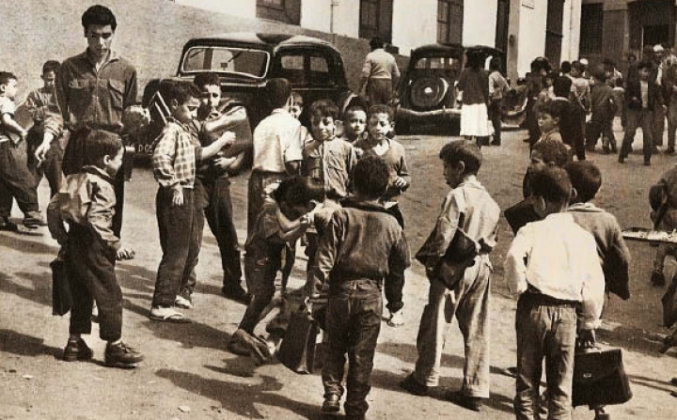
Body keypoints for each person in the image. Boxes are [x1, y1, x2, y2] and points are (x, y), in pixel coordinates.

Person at [306, 156, 410, 420]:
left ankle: (332, 393)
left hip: (340, 292)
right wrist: (394, 300)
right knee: (363, 354)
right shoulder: (392, 223)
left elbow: (324, 258)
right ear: (384, 188)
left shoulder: (341, 216)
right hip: (371, 295)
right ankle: (355, 406)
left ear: (352, 183)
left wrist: (312, 293)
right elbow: (402, 262)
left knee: (334, 346)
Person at [400, 140, 500, 413]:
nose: (444, 173)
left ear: (460, 167)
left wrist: (433, 264)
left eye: (446, 167)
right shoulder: (490, 200)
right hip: (482, 265)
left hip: (455, 265)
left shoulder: (457, 196)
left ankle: (425, 377)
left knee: (436, 321)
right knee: (477, 328)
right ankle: (475, 388)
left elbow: (444, 235)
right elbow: (492, 238)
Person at [36, 4, 137, 260]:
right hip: (79, 148)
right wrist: (47, 140)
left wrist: (137, 122)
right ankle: (77, 270)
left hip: (111, 149)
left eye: (106, 35)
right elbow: (56, 110)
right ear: (85, 33)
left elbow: (130, 113)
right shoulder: (69, 68)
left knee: (109, 213)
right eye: (94, 35)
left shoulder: (126, 70)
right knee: (76, 210)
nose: (100, 42)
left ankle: (104, 269)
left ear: (113, 33)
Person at [504, 166, 605, 420]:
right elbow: (594, 283)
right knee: (561, 388)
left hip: (534, 308)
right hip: (567, 314)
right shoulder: (583, 237)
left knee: (527, 383)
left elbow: (513, 258)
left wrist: (519, 288)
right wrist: (589, 321)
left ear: (539, 201)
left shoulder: (531, 230)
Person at [47, 129, 144, 368]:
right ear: (107, 160)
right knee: (110, 294)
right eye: (120, 159)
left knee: (81, 294)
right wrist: (115, 244)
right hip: (94, 245)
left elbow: (53, 209)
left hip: (74, 243)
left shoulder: (73, 178)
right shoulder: (103, 185)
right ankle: (114, 346)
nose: (121, 164)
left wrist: (63, 238)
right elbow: (97, 220)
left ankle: (74, 342)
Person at [149, 81, 235, 322]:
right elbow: (160, 159)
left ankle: (168, 298)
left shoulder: (182, 128)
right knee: (176, 251)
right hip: (178, 194)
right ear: (174, 105)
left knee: (182, 248)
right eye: (191, 108)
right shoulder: (173, 130)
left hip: (185, 191)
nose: (195, 113)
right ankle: (161, 303)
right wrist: (173, 184)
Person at [229, 176, 323, 357]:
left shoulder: (284, 208)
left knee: (271, 298)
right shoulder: (270, 210)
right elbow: (284, 235)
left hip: (274, 261)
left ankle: (246, 331)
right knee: (266, 298)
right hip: (260, 260)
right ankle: (241, 334)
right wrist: (304, 224)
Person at [192, 72, 250, 304]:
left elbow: (243, 143)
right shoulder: (190, 119)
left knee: (227, 234)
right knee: (192, 236)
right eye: (204, 95)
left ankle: (233, 284)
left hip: (219, 180)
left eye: (215, 95)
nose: (210, 101)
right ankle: (184, 287)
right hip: (196, 181)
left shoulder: (227, 118)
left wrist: (230, 161)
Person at [354, 105, 410, 326]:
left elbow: (406, 175)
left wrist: (403, 182)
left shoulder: (397, 150)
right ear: (367, 125)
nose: (377, 128)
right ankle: (365, 303)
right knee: (366, 257)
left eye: (382, 124)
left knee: (396, 261)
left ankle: (396, 306)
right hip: (366, 209)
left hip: (390, 209)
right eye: (373, 123)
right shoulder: (359, 148)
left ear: (390, 126)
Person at [565, 161, 631, 300]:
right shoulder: (608, 220)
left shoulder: (559, 217)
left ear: (572, 192)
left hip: (565, 286)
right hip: (595, 288)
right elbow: (624, 257)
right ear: (596, 192)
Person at [248, 78, 305, 234]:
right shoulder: (293, 124)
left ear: (267, 99)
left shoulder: (262, 124)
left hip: (256, 179)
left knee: (256, 229)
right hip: (278, 180)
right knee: (278, 230)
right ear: (290, 99)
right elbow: (292, 163)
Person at [0, 71, 43, 230]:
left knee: (3, 182)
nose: (16, 90)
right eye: (14, 86)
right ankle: (32, 212)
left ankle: (1, 216)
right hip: (5, 145)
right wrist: (21, 131)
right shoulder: (5, 101)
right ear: (3, 88)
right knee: (21, 177)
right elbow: (6, 120)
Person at [20, 60, 64, 200]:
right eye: (49, 79)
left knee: (57, 182)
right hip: (36, 141)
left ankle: (54, 209)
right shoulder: (35, 94)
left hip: (55, 144)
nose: (52, 83)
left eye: (55, 80)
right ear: (42, 78)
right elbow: (28, 114)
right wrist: (47, 110)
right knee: (31, 179)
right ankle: (32, 209)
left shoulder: (64, 97)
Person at [619, 61, 664, 165]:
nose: (646, 74)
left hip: (646, 111)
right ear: (639, 71)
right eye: (645, 71)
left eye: (648, 72)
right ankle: (623, 154)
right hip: (634, 111)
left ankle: (647, 158)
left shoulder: (653, 85)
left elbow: (658, 96)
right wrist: (632, 99)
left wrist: (662, 104)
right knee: (630, 132)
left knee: (648, 135)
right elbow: (626, 96)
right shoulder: (633, 83)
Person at [648, 162, 677, 287]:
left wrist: (657, 211)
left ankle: (658, 269)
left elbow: (655, 193)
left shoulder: (668, 175)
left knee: (665, 242)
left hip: (668, 213)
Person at [457, 50, 490, 145]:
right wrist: (486, 103)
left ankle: (467, 148)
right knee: (480, 130)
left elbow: (460, 86)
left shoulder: (465, 72)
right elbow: (486, 90)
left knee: (468, 129)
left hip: (468, 104)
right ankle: (478, 148)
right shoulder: (484, 73)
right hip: (480, 104)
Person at [359, 37, 401, 106]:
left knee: (374, 107)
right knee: (387, 107)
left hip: (374, 83)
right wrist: (393, 88)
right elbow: (397, 75)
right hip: (388, 84)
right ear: (382, 46)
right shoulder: (391, 57)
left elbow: (365, 75)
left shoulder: (370, 56)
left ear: (372, 46)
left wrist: (360, 89)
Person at [552, 76, 585, 160]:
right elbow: (578, 135)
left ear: (554, 90)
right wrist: (581, 157)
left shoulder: (547, 106)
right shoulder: (573, 109)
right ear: (569, 91)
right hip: (566, 148)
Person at [586, 69, 617, 154]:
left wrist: (589, 108)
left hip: (596, 111)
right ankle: (606, 142)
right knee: (607, 128)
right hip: (607, 111)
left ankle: (591, 144)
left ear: (597, 79)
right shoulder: (609, 89)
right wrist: (613, 111)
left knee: (595, 128)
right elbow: (615, 101)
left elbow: (591, 100)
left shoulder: (595, 89)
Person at [488, 57, 508, 146]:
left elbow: (490, 91)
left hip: (492, 100)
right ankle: (497, 139)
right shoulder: (500, 76)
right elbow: (507, 88)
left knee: (489, 119)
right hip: (499, 99)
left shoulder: (491, 76)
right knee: (497, 120)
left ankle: (486, 138)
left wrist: (489, 98)